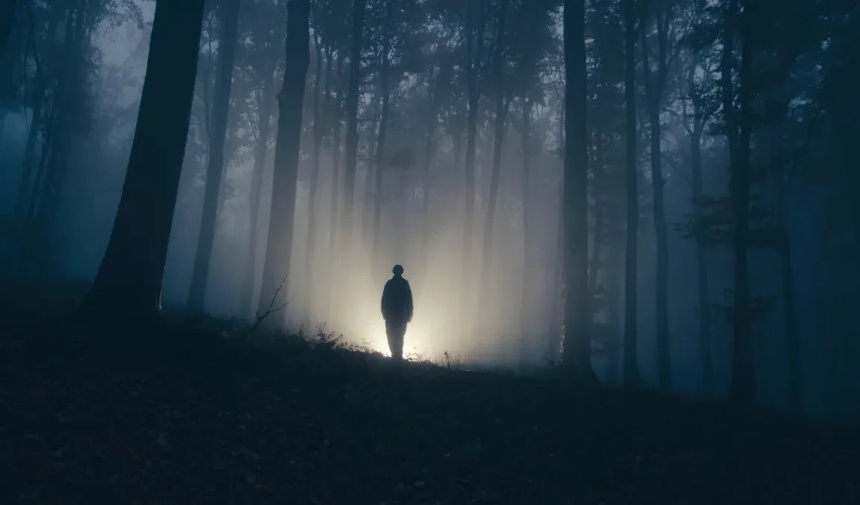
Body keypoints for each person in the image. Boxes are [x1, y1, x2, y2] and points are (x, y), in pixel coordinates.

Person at [381, 264, 413, 360]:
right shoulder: (403, 283)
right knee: (398, 334)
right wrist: (409, 313)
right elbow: (409, 299)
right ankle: (397, 354)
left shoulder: (390, 283)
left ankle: (396, 354)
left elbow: (384, 300)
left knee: (392, 334)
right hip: (399, 314)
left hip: (393, 314)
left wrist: (384, 312)